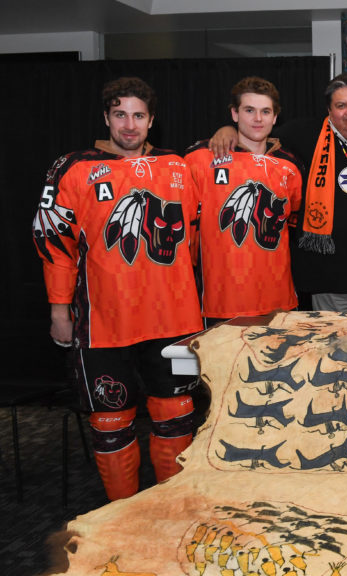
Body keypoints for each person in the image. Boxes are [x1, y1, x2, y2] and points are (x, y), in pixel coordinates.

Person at [32, 77, 202, 500]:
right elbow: (54, 244)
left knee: (178, 416)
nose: (129, 124)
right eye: (120, 114)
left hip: (176, 323)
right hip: (104, 324)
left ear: (152, 120)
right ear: (106, 117)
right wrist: (59, 310)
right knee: (111, 423)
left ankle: (170, 509)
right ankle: (121, 513)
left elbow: (196, 237)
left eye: (138, 115)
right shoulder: (72, 167)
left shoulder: (178, 166)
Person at [210, 73, 347, 312]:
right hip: (329, 279)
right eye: (341, 105)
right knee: (331, 338)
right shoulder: (304, 133)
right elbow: (258, 135)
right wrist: (228, 130)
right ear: (329, 110)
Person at [186, 77, 303, 326]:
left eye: (265, 112)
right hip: (220, 302)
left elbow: (293, 223)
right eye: (249, 110)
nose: (258, 119)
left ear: (275, 117)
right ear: (234, 114)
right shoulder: (200, 158)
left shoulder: (290, 165)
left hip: (278, 300)